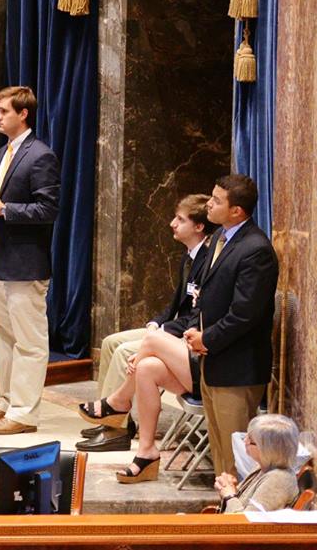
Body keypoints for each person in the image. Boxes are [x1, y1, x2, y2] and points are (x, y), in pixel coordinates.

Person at [75, 194, 214, 455]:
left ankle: (114, 429)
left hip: (185, 334)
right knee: (110, 342)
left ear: (198, 226)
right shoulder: (189, 257)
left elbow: (196, 314)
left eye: (180, 219)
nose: (172, 223)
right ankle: (111, 415)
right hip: (173, 327)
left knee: (125, 352)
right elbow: (176, 305)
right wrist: (156, 323)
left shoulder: (207, 260)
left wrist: (163, 331)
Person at [0, 86, 60, 436]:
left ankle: (25, 413)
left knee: (30, 340)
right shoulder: (6, 152)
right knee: (6, 335)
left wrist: (4, 209)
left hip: (25, 262)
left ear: (23, 114)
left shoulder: (40, 155)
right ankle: (7, 402)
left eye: (3, 111)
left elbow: (49, 208)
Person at [181, 172, 279, 484]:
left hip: (238, 367)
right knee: (221, 453)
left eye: (216, 201)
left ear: (236, 210)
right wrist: (195, 328)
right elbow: (206, 293)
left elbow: (245, 314)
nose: (208, 204)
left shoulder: (256, 249)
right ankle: (223, 510)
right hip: (214, 361)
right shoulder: (220, 239)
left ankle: (236, 520)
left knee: (238, 455)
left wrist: (206, 338)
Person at [216, 412, 302, 513]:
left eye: (250, 440)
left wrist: (229, 496)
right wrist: (229, 486)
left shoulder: (278, 480)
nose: (245, 441)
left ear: (267, 449)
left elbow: (246, 524)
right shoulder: (263, 466)